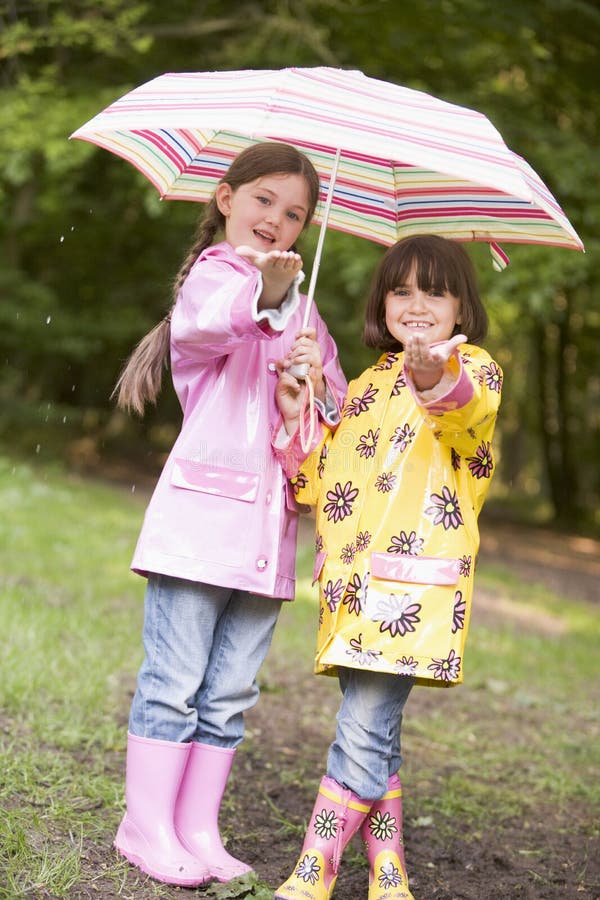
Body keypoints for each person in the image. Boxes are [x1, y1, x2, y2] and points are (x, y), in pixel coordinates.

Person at [110, 141, 347, 888]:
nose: (277, 220)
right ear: (225, 198)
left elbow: (331, 417)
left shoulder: (307, 313)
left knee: (231, 693)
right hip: (199, 526)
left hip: (264, 535)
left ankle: (197, 827)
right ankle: (145, 824)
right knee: (175, 682)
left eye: (295, 213)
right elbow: (210, 328)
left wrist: (311, 388)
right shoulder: (216, 278)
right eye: (264, 201)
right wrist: (269, 299)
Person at [272, 234, 503, 900]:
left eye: (435, 290)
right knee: (374, 726)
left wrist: (434, 376)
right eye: (402, 290)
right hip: (350, 586)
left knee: (364, 725)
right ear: (383, 301)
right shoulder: (370, 383)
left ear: (462, 304)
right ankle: (389, 871)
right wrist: (303, 408)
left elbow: (466, 413)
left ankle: (317, 865)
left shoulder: (476, 369)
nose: (417, 304)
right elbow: (320, 480)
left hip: (413, 592)